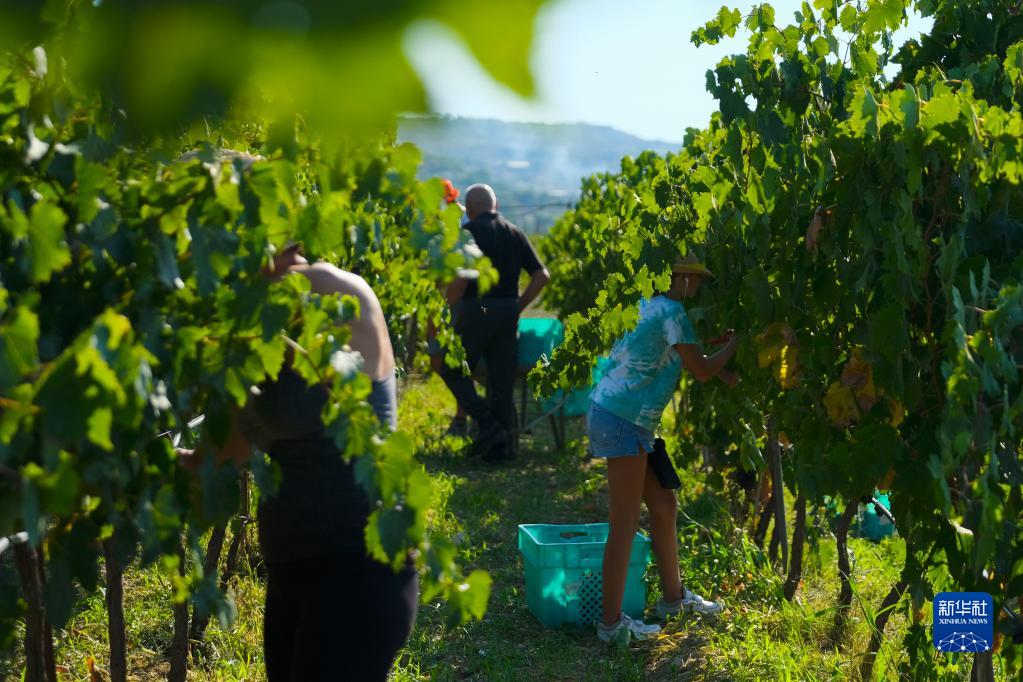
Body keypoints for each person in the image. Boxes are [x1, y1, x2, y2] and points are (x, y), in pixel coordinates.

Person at [179, 243, 417, 680]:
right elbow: (219, 456)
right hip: (293, 568)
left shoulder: (330, 289)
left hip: (357, 570)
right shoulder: (256, 326)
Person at [586, 252, 739, 645]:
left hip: (624, 416)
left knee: (664, 504)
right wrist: (734, 346)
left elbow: (678, 355)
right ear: (680, 278)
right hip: (623, 418)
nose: (698, 286)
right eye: (695, 279)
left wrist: (720, 364)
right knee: (624, 524)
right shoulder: (672, 310)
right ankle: (610, 625)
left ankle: (673, 599)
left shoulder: (646, 306)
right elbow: (701, 370)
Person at [435, 183, 550, 462]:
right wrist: (517, 306)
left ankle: (487, 424)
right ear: (495, 205)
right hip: (507, 312)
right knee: (501, 382)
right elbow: (542, 275)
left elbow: (460, 283)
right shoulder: (515, 232)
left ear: (469, 209)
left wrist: (445, 311)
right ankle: (500, 450)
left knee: (451, 368)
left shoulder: (469, 233)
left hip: (479, 309)